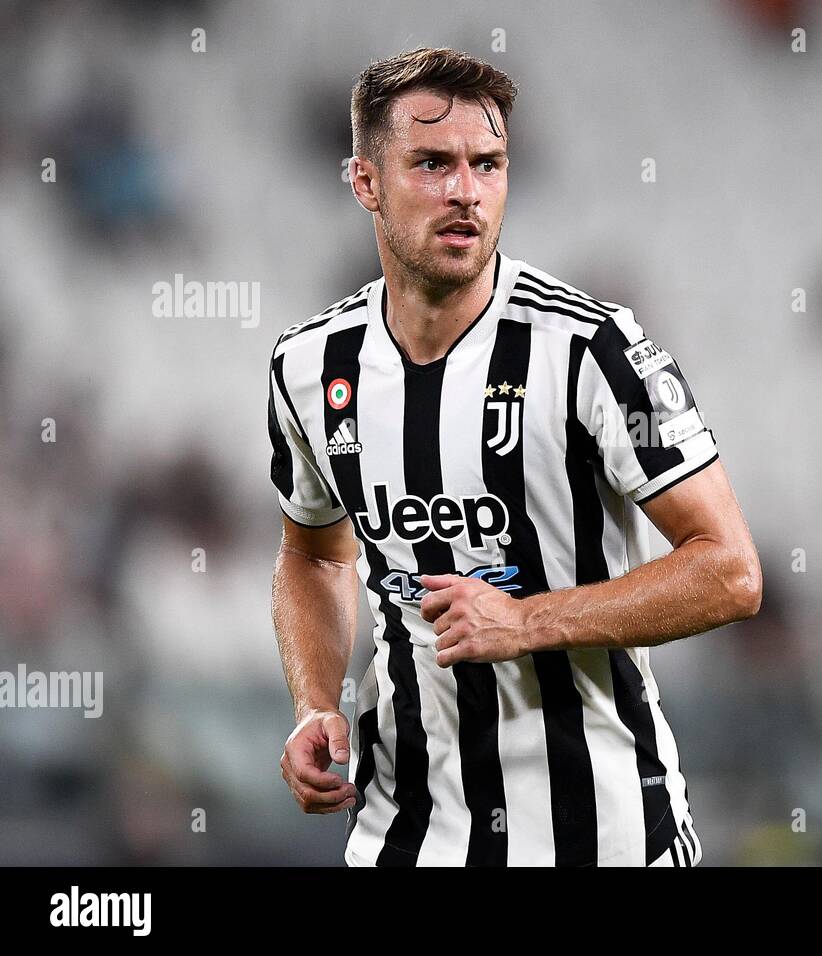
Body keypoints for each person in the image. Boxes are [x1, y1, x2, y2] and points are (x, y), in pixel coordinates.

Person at [267, 47, 761, 867]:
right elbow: (313, 556)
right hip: (405, 837)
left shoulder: (594, 350)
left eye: (486, 164)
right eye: (431, 163)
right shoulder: (309, 367)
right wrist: (316, 701)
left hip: (603, 840)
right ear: (364, 183)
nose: (465, 191)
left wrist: (529, 620)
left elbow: (731, 571)